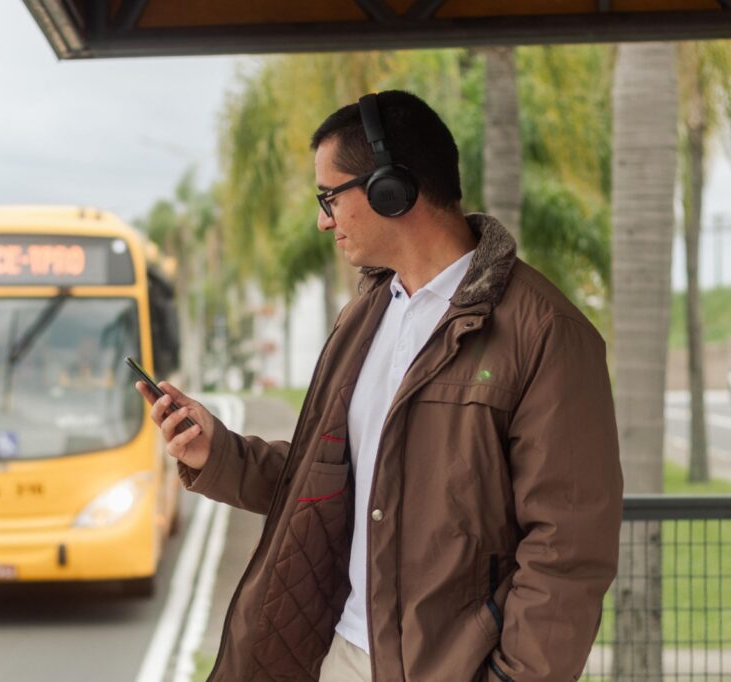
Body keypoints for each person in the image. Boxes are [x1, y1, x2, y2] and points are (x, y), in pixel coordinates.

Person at [137, 90, 623, 682]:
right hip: (338, 655)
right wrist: (217, 452)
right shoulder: (364, 317)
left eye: (329, 197)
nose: (323, 219)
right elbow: (326, 478)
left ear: (392, 188)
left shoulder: (546, 334)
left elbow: (566, 552)